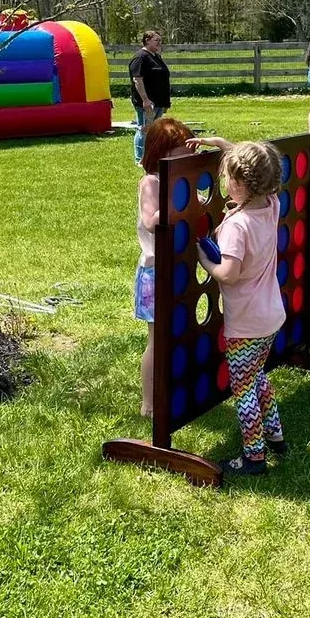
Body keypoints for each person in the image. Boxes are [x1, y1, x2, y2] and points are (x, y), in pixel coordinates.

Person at [190, 136, 287, 477]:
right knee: (257, 375)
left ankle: (253, 457)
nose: (224, 181)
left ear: (241, 183)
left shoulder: (236, 225)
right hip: (271, 315)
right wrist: (221, 144)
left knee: (242, 388)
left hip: (246, 323)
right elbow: (256, 167)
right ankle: (275, 435)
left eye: (227, 177)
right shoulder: (271, 204)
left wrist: (204, 260)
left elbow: (229, 275)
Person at [135, 117, 195, 416]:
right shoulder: (152, 182)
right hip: (155, 272)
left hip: (179, 268)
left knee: (180, 333)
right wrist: (178, 195)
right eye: (180, 154)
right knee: (157, 340)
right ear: (161, 154)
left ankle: (175, 388)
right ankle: (149, 402)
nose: (187, 160)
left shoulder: (183, 181)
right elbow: (151, 221)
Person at [129, 30, 171, 165]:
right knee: (144, 129)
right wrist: (145, 100)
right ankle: (140, 159)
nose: (160, 43)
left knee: (155, 130)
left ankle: (152, 156)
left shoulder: (156, 56)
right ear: (147, 41)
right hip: (147, 103)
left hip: (159, 102)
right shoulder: (140, 57)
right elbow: (137, 80)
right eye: (156, 40)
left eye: (160, 41)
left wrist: (165, 103)